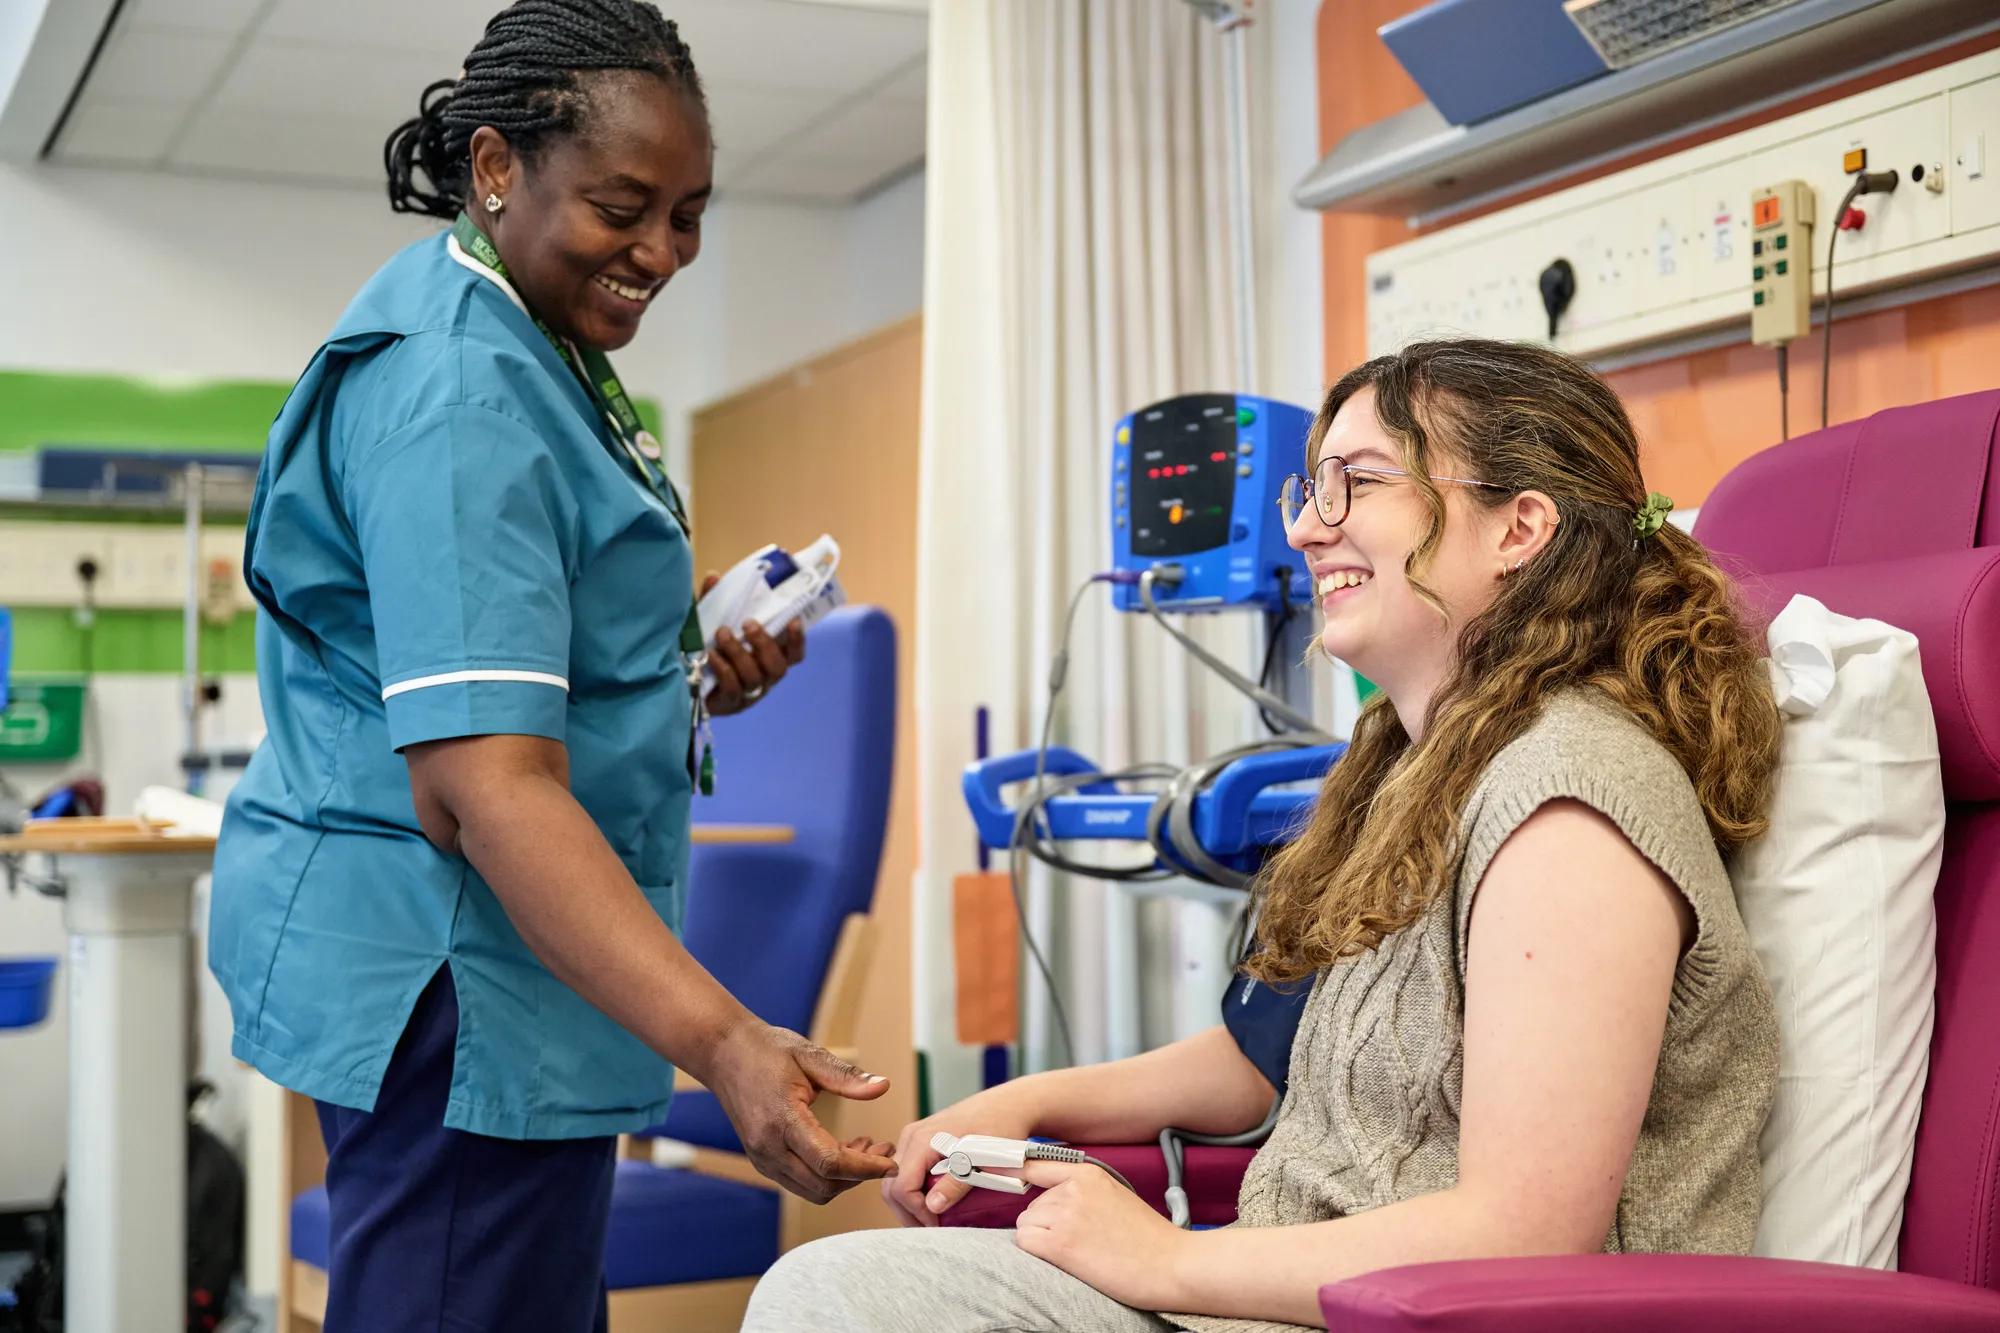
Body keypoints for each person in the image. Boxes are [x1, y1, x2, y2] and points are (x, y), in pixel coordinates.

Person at [744, 337, 1784, 1332]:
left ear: (1518, 528)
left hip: (1406, 1315)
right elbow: (1263, 1057)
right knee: (848, 1292)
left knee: (840, 1300)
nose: (1303, 528)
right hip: (1281, 1297)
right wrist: (1028, 1101)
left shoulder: (1568, 805)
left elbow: (1524, 1230)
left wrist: (1166, 1258)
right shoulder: (1403, 767)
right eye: (1308, 489)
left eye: (1358, 484)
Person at [207, 4, 895, 1329]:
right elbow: (486, 787)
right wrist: (725, 1042)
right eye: (624, 206)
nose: (661, 251)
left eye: (689, 213)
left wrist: (674, 651)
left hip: (483, 962)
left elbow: (513, 617)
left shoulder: (534, 338)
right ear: (495, 168)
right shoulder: (465, 393)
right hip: (461, 970)